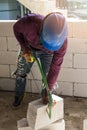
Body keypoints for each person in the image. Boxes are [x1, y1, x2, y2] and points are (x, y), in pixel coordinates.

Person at [13, 12, 68, 108]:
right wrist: (24, 47)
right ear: (41, 30)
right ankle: (19, 95)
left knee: (47, 78)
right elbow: (16, 29)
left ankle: (46, 97)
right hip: (29, 48)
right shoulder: (29, 23)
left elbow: (54, 69)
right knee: (21, 72)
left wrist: (48, 91)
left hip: (47, 54)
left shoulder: (62, 44)